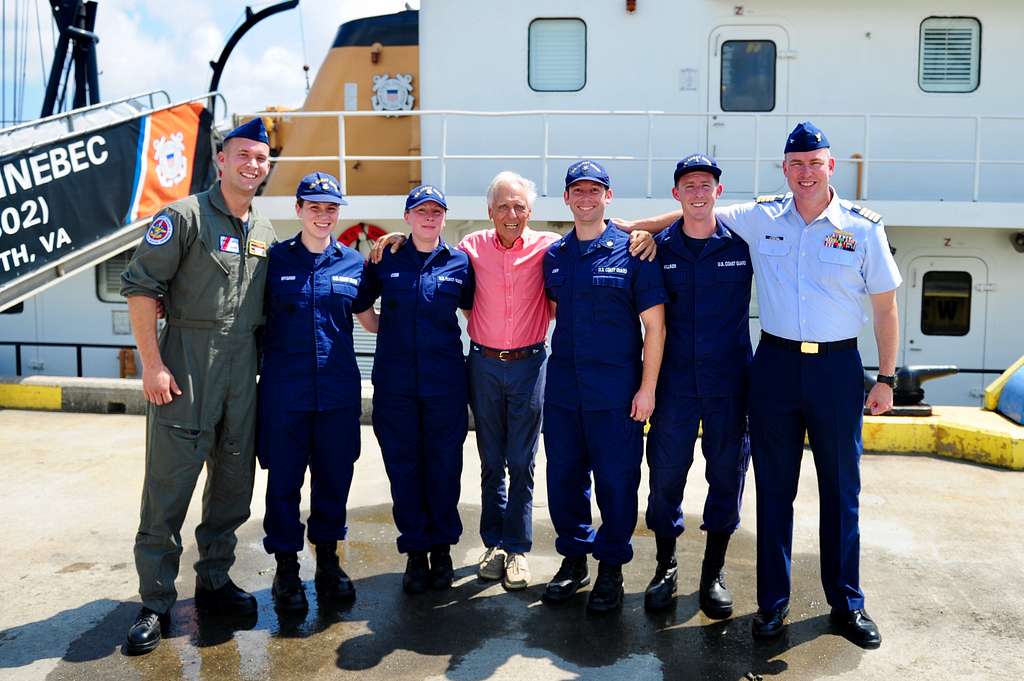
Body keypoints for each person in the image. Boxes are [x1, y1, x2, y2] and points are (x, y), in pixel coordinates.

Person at [370, 172, 656, 591]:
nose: (511, 214)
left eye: (519, 206)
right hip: (483, 363)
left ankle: (518, 548)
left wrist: (645, 232)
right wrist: (396, 236)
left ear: (531, 212)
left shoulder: (548, 249)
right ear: (489, 212)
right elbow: (439, 264)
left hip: (529, 363)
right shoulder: (470, 249)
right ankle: (494, 544)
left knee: (522, 462)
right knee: (490, 462)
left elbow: (559, 300)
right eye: (503, 206)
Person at [716, 122, 901, 648]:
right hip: (774, 366)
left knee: (841, 491)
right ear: (784, 168)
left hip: (837, 370)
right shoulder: (763, 216)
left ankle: (847, 603)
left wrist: (885, 378)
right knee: (775, 491)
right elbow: (698, 214)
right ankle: (772, 606)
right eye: (795, 164)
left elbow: (885, 308)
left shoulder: (862, 227)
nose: (804, 173)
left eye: (813, 163)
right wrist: (626, 229)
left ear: (830, 167)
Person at [120, 118, 277, 655]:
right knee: (167, 490)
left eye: (261, 157)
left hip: (242, 376)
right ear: (221, 160)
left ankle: (214, 579)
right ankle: (155, 601)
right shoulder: (182, 217)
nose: (252, 165)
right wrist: (151, 363)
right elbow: (141, 286)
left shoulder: (265, 233)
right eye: (243, 155)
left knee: (233, 487)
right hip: (186, 367)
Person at [541, 160, 666, 613]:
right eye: (579, 191)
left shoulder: (634, 251)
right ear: (567, 198)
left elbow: (655, 327)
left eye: (596, 191)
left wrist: (647, 389)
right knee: (564, 480)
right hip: (563, 393)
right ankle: (574, 561)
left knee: (617, 483)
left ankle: (610, 569)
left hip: (616, 393)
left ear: (608, 197)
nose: (587, 198)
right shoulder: (554, 255)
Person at [258, 172, 377, 612]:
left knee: (334, 482)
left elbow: (372, 319)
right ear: (298, 210)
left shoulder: (353, 263)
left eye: (331, 208)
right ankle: (286, 570)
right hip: (285, 397)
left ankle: (328, 562)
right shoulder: (273, 262)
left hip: (336, 396)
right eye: (315, 207)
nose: (323, 215)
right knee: (283, 485)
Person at [643, 154, 752, 617]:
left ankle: (713, 573)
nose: (698, 192)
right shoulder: (656, 248)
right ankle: (665, 567)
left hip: (730, 381)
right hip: (673, 384)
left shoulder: (745, 242)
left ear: (719, 192)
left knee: (726, 475)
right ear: (677, 194)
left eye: (706, 184)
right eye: (689, 185)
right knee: (666, 476)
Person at [363, 185, 475, 594]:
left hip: (445, 384)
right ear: (407, 217)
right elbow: (363, 305)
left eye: (436, 212)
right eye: (421, 211)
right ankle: (415, 553)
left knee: (444, 469)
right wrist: (384, 331)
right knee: (404, 469)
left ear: (444, 218)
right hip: (395, 386)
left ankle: (442, 550)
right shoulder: (386, 257)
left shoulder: (460, 262)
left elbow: (469, 306)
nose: (429, 218)